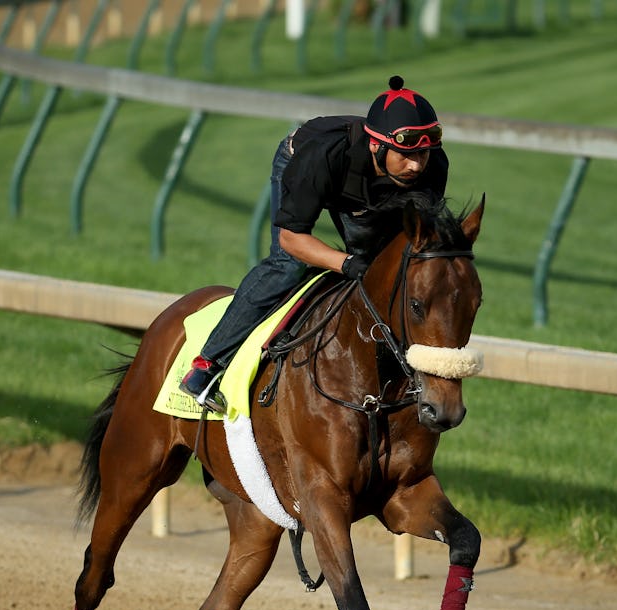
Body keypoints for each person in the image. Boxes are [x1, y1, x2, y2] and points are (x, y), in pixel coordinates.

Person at [180, 75, 449, 413]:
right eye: (407, 155)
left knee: (384, 265)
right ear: (376, 145)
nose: (416, 166)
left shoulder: (432, 167)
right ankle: (206, 367)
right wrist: (345, 263)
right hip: (304, 162)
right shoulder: (322, 158)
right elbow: (291, 239)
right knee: (286, 267)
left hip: (366, 187)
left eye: (423, 155)